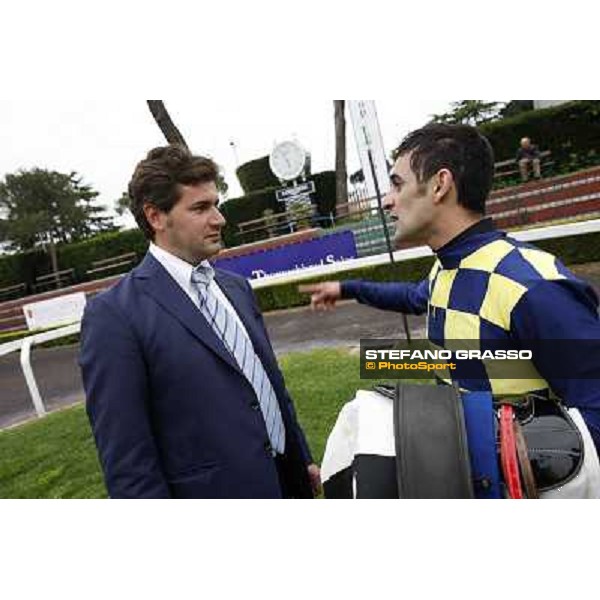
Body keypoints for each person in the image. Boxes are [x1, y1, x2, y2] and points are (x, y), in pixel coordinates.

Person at [300, 123, 600, 466]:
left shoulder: (534, 286)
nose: (387, 200)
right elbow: (414, 298)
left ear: (440, 185)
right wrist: (345, 289)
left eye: (397, 184)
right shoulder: (447, 267)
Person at [80, 145, 320, 499]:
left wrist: (302, 458)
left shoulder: (236, 289)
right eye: (200, 208)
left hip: (288, 481)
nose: (219, 219)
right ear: (156, 217)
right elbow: (128, 461)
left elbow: (269, 385)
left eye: (216, 204)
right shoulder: (114, 316)